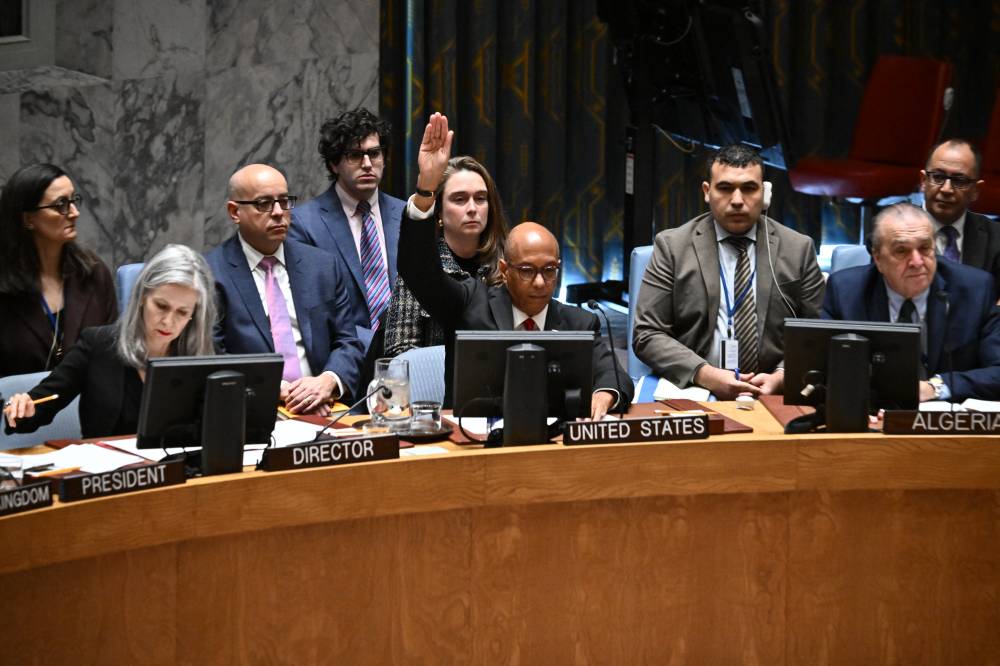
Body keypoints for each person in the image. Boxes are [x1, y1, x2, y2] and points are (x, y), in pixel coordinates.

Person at [397, 113, 633, 419]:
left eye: (549, 270)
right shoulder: (471, 306)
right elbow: (419, 272)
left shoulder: (580, 323)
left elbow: (614, 374)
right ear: (505, 271)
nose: (540, 282)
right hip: (473, 437)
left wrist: (605, 394)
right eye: (527, 271)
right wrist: (426, 188)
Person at [632, 144, 825, 400]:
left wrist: (782, 375)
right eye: (724, 188)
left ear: (765, 193)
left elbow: (819, 331)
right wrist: (706, 374)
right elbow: (647, 334)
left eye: (749, 188)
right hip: (697, 389)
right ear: (707, 192)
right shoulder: (673, 247)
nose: (737, 200)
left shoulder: (798, 248)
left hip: (772, 391)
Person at [3, 244, 216, 438]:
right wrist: (22, 408)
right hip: (107, 466)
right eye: (161, 306)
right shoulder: (97, 345)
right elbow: (41, 405)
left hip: (179, 467)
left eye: (182, 312)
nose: (168, 321)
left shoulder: (200, 359)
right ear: (142, 297)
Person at [206, 164, 364, 416]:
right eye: (264, 204)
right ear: (235, 212)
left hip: (325, 405)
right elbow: (212, 356)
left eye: (284, 201)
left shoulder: (322, 266)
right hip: (253, 410)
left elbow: (348, 342)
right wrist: (270, 387)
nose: (279, 212)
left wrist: (328, 381)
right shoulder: (211, 274)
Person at [822, 203, 1000, 402]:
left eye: (924, 248)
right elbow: (825, 368)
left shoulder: (974, 289)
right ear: (878, 258)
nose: (917, 261)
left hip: (945, 415)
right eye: (901, 251)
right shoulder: (846, 291)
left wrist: (936, 387)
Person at [289, 108, 407, 345]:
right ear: (334, 164)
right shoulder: (303, 224)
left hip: (408, 352)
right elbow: (314, 309)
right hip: (343, 352)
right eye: (355, 155)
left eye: (374, 153)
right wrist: (372, 346)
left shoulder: (406, 214)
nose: (367, 164)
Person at [0, 163, 118, 377]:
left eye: (73, 200)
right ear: (28, 219)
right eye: (61, 204)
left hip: (87, 397)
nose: (74, 213)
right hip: (16, 398)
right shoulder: (4, 287)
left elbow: (111, 354)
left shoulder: (94, 273)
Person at [383, 155, 508, 357]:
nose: (472, 209)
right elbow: (399, 351)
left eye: (480, 198)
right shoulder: (420, 268)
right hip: (432, 376)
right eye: (460, 199)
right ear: (439, 212)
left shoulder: (507, 265)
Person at [920, 139, 1000, 299]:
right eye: (938, 177)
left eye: (959, 181)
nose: (946, 189)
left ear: (976, 190)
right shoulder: (893, 228)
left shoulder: (996, 237)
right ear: (923, 181)